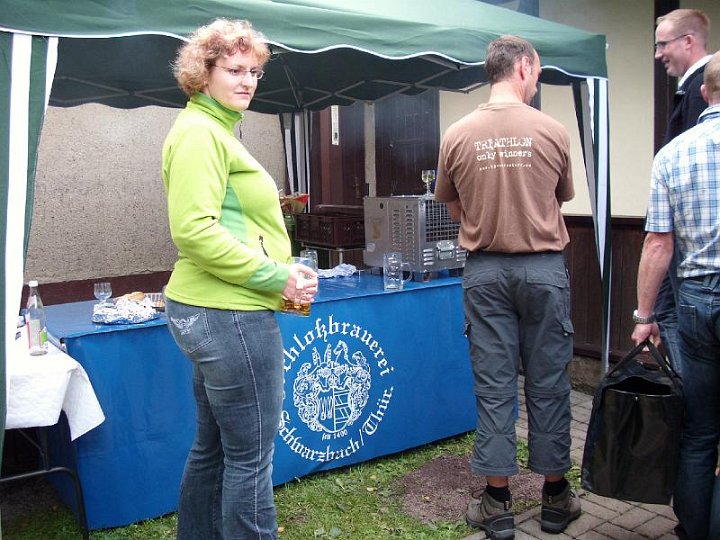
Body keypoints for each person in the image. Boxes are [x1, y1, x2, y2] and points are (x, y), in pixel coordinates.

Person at [161, 18, 318, 540]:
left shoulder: (213, 128)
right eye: (234, 70)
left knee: (214, 450)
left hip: (217, 310)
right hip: (228, 314)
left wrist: (282, 274)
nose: (247, 80)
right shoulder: (201, 133)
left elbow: (226, 224)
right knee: (250, 459)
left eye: (253, 71)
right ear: (202, 73)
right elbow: (195, 231)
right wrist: (276, 276)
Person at [434, 35, 580, 539]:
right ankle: (556, 498)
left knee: (495, 387)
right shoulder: (552, 130)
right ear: (522, 67)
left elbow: (453, 205)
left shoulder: (457, 133)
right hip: (543, 270)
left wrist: (486, 219)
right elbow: (559, 197)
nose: (536, 80)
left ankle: (497, 504)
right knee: (549, 382)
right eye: (536, 71)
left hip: (486, 272)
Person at [632, 50, 720, 540]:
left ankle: (693, 531)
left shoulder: (673, 153)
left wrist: (644, 316)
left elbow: (658, 244)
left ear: (704, 93)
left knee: (700, 429)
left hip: (696, 300)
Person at [652, 9, 712, 372]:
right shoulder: (692, 89)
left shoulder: (699, 93)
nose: (658, 53)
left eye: (663, 44)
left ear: (688, 41)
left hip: (690, 257)